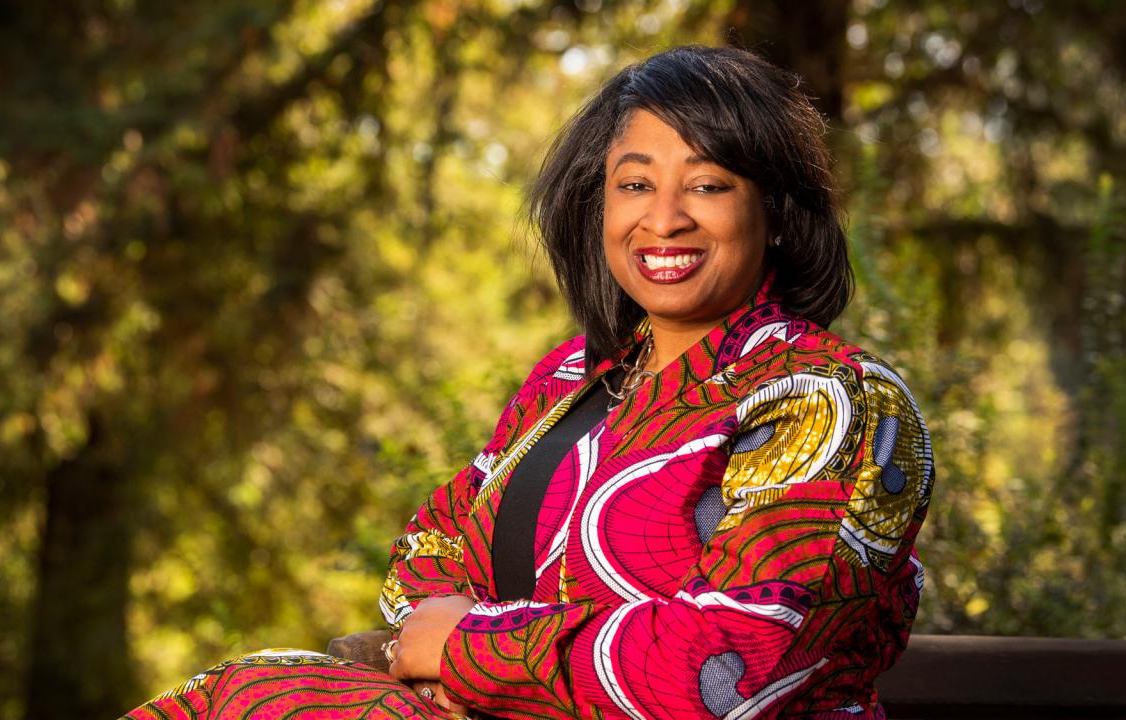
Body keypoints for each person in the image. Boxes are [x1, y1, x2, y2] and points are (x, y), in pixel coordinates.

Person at [123, 45, 933, 720]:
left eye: (709, 184)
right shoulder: (574, 377)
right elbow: (428, 553)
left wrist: (472, 648)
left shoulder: (832, 400)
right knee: (248, 691)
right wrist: (465, 652)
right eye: (636, 183)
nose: (665, 218)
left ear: (780, 213)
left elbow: (729, 669)